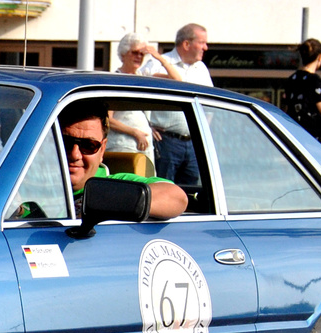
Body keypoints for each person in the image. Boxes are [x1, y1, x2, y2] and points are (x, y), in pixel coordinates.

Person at [60, 99, 188, 220]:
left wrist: (103, 202)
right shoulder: (41, 183)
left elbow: (176, 197)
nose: (75, 155)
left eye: (89, 146)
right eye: (65, 143)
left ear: (103, 149)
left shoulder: (114, 183)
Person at [138, 23, 212, 185]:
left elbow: (209, 105)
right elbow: (137, 97)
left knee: (192, 193)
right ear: (186, 44)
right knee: (165, 189)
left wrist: (204, 133)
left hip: (194, 143)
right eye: (202, 43)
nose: (205, 48)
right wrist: (147, 126)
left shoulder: (201, 69)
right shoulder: (158, 64)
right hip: (166, 141)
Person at [107, 33, 179, 170]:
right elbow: (108, 119)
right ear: (123, 54)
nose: (139, 57)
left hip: (144, 147)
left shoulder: (144, 77)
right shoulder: (115, 80)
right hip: (123, 146)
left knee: (148, 185)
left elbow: (177, 81)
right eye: (135, 53)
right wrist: (135, 132)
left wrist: (158, 57)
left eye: (142, 54)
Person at [281, 38, 321, 139]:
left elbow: (292, 104)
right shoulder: (313, 79)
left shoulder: (292, 78)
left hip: (293, 131)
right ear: (320, 57)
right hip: (307, 134)